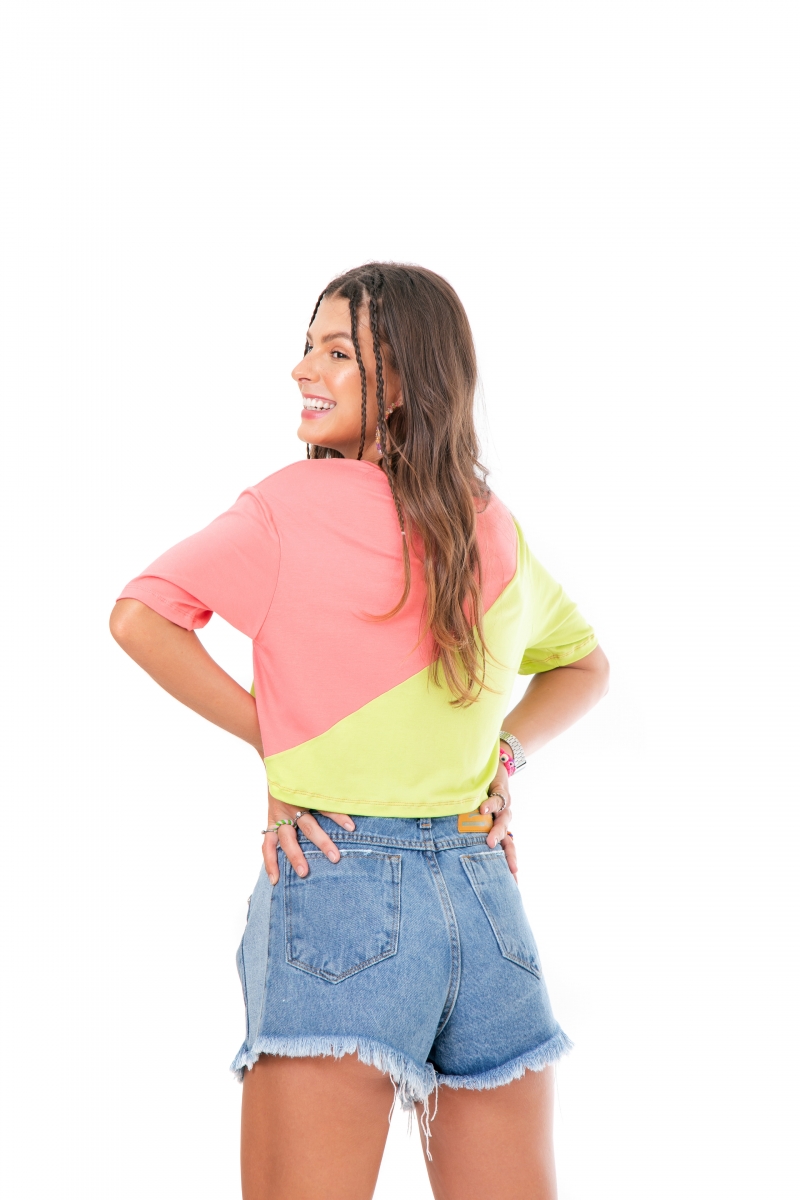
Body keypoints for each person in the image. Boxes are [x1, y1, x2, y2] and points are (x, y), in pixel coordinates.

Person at [110, 262, 609, 1200]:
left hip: (338, 884)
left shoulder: (284, 510)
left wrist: (278, 741)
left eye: (337, 353)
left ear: (406, 379)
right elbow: (585, 666)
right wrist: (502, 759)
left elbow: (141, 616)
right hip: (485, 896)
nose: (304, 369)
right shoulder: (489, 526)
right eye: (308, 347)